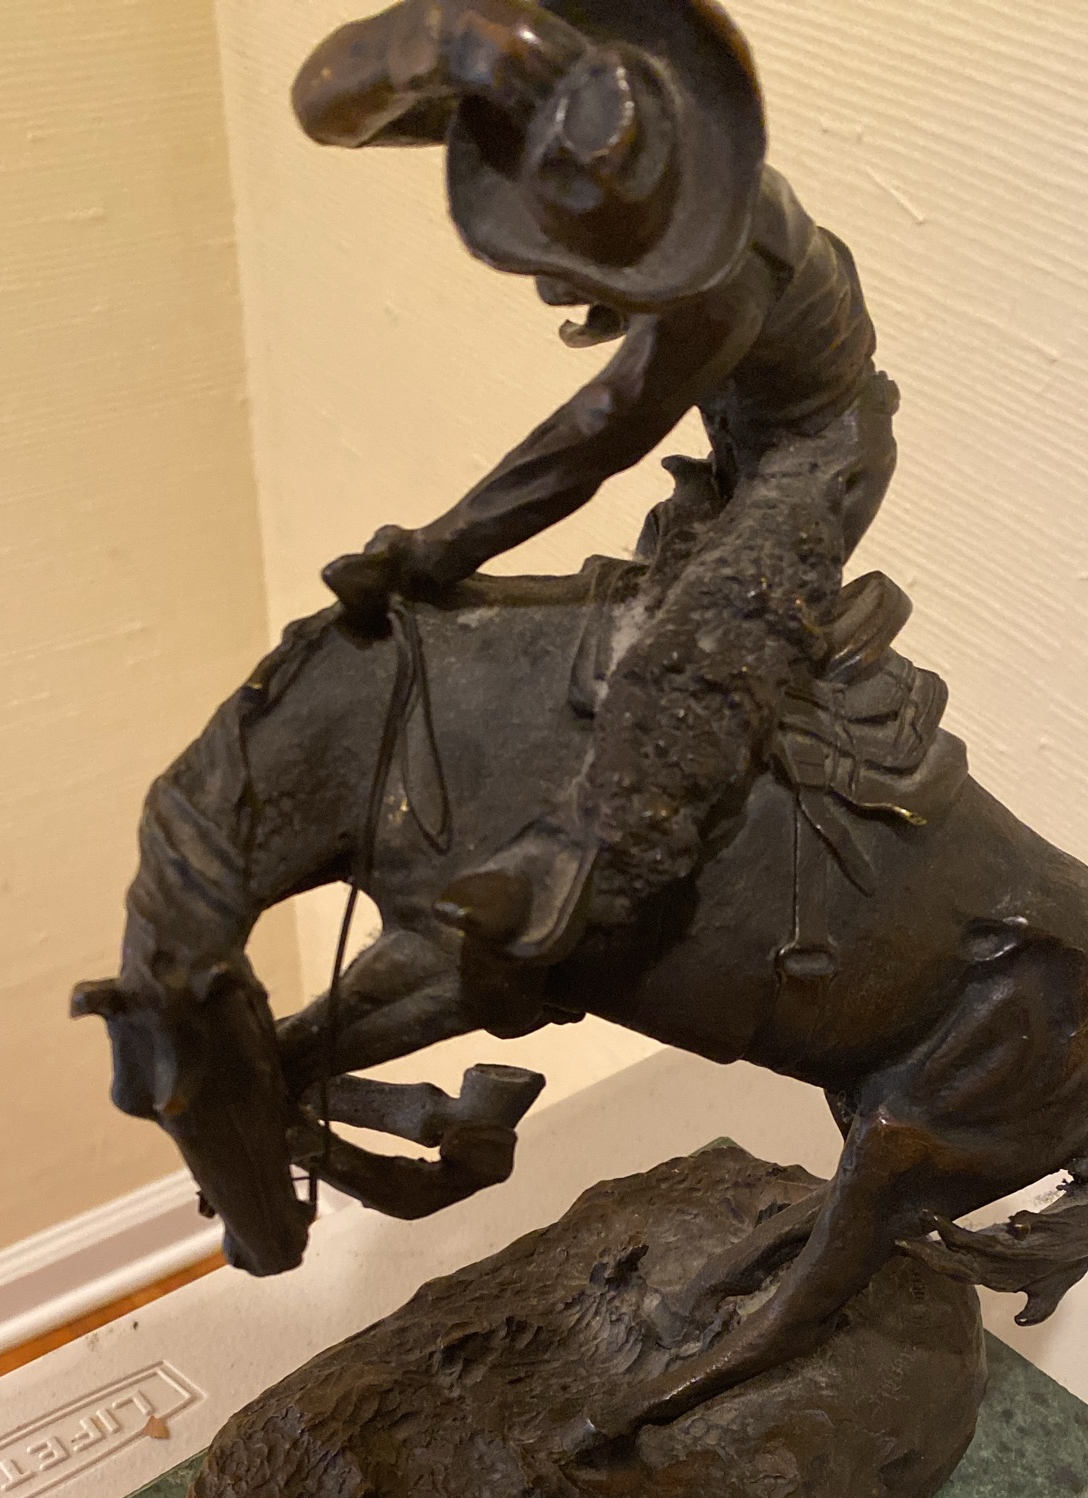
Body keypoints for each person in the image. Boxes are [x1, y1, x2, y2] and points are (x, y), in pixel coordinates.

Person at [294, 0, 899, 964]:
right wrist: (450, 38)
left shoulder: (722, 287)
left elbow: (593, 435)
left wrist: (436, 548)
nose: (552, 286)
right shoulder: (619, 118)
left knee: (692, 659)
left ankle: (591, 869)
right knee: (605, 613)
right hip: (740, 437)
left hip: (816, 456)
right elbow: (325, 103)